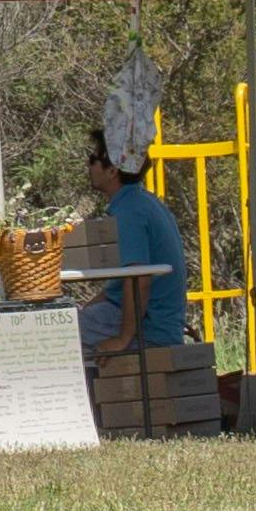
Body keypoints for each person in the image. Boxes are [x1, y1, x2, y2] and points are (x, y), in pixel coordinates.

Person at [74, 143, 195, 359]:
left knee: (56, 338)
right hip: (156, 323)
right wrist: (83, 311)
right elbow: (119, 287)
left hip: (150, 329)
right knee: (70, 323)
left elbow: (139, 279)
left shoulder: (129, 212)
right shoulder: (143, 201)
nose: (88, 166)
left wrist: (123, 338)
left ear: (112, 171)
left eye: (93, 160)